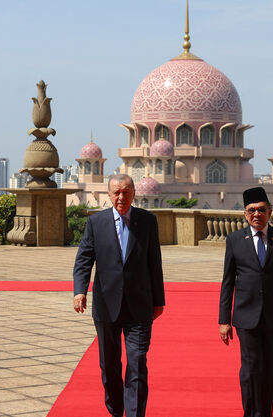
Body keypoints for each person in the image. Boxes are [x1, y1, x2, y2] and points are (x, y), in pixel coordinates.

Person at [73, 174, 165, 417]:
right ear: (109, 194)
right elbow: (84, 260)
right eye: (116, 193)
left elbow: (154, 262)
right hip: (106, 306)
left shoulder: (147, 221)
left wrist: (159, 300)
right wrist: (80, 291)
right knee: (110, 367)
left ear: (134, 193)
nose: (121, 197)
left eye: (126, 192)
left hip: (140, 306)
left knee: (137, 362)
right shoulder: (96, 223)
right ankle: (115, 411)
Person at [218, 186, 273, 417]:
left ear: (270, 211)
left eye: (261, 209)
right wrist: (224, 320)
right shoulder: (235, 240)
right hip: (245, 316)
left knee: (269, 369)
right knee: (250, 369)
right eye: (251, 210)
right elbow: (227, 282)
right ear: (245, 215)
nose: (256, 214)